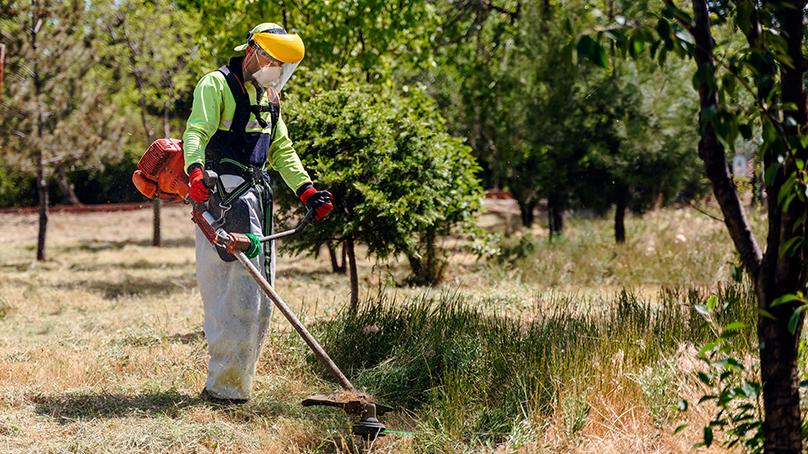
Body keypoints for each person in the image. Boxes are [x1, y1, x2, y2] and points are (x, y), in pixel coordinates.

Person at [182, 23, 333, 403]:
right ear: (254, 52)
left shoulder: (270, 97)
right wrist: (196, 170)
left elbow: (281, 150)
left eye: (284, 67)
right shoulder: (216, 85)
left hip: (256, 201)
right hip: (223, 198)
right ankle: (223, 391)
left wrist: (307, 190)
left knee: (260, 301)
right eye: (274, 63)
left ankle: (237, 386)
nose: (277, 72)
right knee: (234, 297)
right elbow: (196, 132)